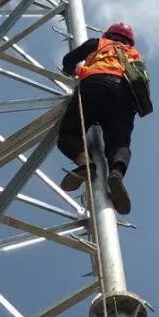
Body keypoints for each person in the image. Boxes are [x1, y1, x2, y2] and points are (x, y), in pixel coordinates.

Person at [57, 22, 149, 216]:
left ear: (108, 34)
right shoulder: (135, 55)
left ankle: (85, 165)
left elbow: (69, 60)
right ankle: (116, 174)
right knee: (119, 143)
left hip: (95, 85)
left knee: (68, 135)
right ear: (129, 41)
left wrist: (71, 70)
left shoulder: (98, 43)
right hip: (125, 96)